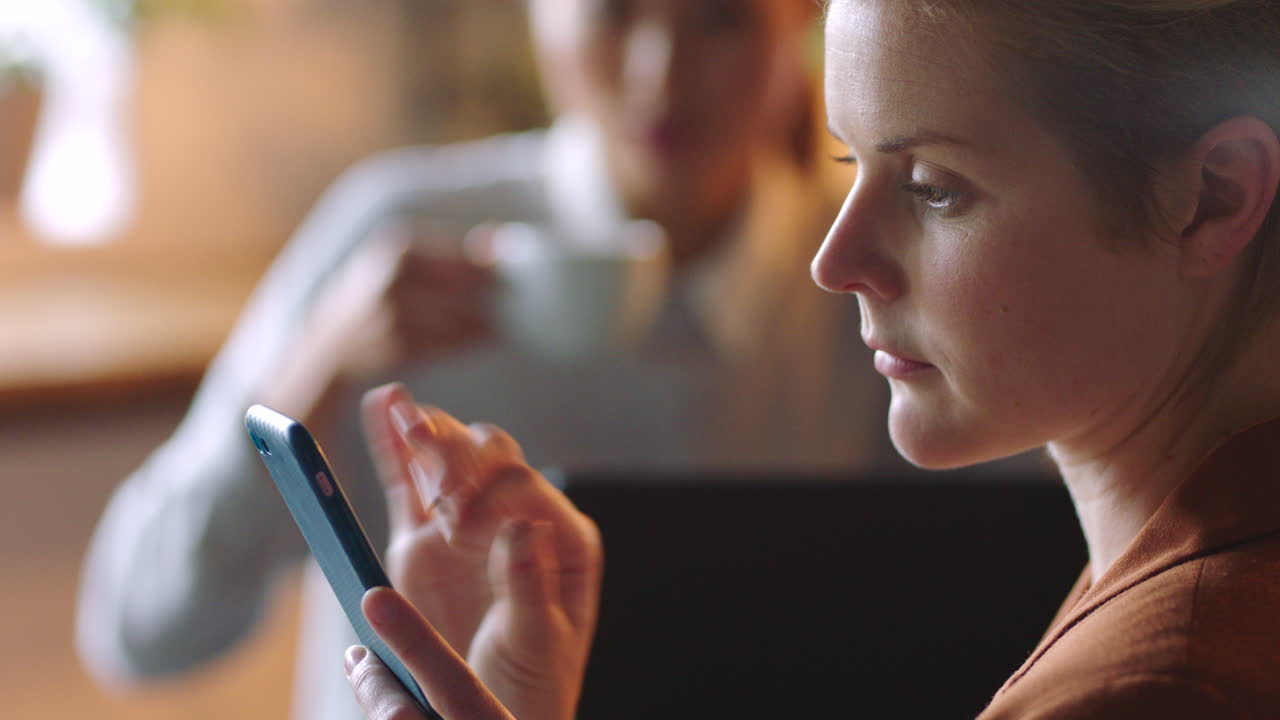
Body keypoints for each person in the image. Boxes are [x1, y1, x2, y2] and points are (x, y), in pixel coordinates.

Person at [340, 0, 1280, 718]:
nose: (835, 262)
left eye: (934, 188)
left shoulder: (1158, 684)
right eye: (847, 165)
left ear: (1210, 197)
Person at [76, 1, 912, 719]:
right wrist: (317, 370)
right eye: (614, 9)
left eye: (721, 18)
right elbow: (138, 628)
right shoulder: (398, 237)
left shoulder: (866, 277)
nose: (661, 72)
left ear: (805, 20)